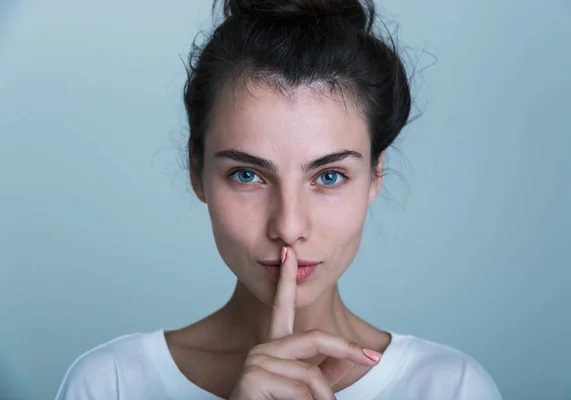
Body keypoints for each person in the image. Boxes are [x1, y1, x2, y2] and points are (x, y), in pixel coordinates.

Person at [55, 0, 503, 399]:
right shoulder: (110, 383)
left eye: (329, 176)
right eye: (247, 175)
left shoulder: (450, 387)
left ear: (375, 174)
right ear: (197, 170)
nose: (288, 227)